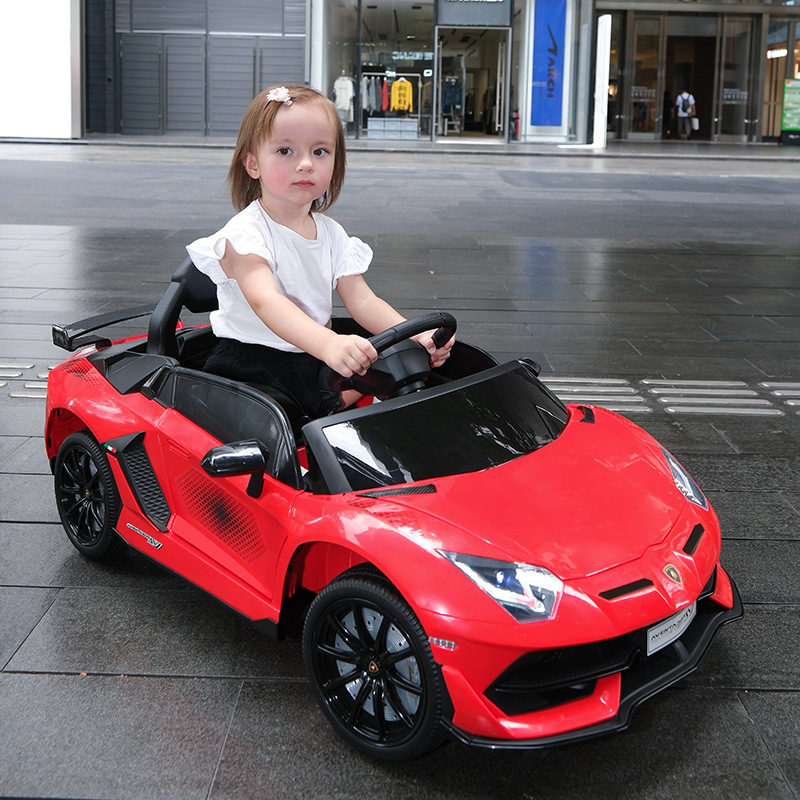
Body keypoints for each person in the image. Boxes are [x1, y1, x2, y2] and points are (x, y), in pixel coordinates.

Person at [186, 84, 453, 419]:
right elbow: (266, 301)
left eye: (320, 151)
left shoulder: (331, 233)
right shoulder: (245, 236)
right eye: (285, 151)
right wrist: (328, 344)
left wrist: (417, 333)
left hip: (313, 355)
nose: (305, 165)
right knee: (284, 417)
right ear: (253, 164)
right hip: (254, 363)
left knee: (406, 363)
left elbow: (362, 300)